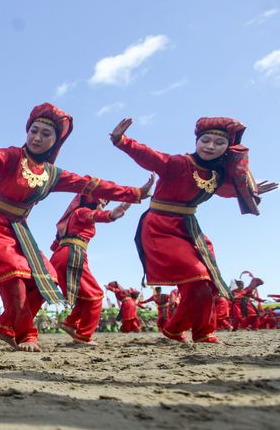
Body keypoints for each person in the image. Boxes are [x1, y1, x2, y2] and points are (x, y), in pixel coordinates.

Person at [0, 102, 149, 352]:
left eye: (46, 134)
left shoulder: (53, 174)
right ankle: (26, 335)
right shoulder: (13, 156)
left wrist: (134, 193)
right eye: (34, 130)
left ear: (55, 141)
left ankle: (6, 327)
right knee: (14, 277)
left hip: (18, 229)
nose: (37, 137)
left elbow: (91, 184)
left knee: (47, 280)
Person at [110, 117, 277, 343]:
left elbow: (227, 191)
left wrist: (250, 190)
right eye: (205, 140)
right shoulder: (179, 163)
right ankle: (187, 329)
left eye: (219, 143)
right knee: (198, 278)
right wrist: (122, 140)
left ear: (227, 148)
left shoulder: (217, 175)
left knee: (209, 284)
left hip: (189, 228)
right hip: (161, 226)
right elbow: (151, 156)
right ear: (197, 141)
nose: (210, 146)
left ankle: (193, 331)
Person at [50, 192, 138, 345]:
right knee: (96, 296)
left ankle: (70, 324)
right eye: (102, 201)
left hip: (62, 254)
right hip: (73, 253)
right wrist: (129, 200)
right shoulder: (83, 212)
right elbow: (111, 215)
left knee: (85, 298)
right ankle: (84, 336)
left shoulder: (71, 217)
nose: (104, 204)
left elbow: (55, 244)